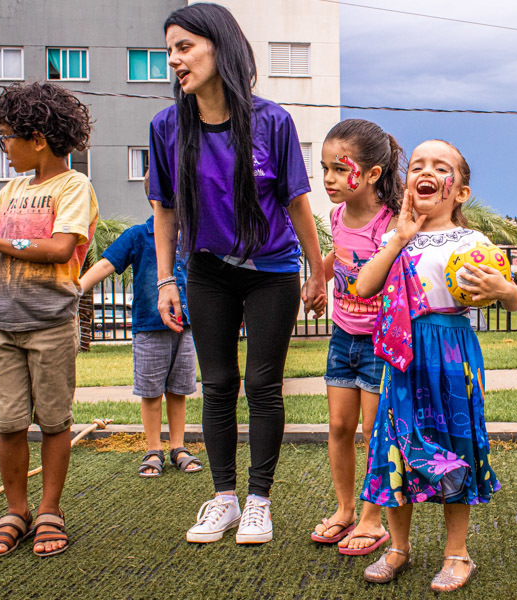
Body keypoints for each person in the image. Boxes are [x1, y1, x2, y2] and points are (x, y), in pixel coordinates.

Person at [149, 3, 326, 545]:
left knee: (262, 384)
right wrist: (165, 279)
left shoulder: (271, 120)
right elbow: (165, 209)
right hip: (206, 271)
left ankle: (258, 503)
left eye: (184, 47)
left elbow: (297, 204)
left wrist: (317, 271)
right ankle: (224, 498)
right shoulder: (166, 126)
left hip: (272, 269)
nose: (175, 60)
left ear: (219, 45)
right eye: (170, 50)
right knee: (218, 383)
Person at [355, 140, 517, 592]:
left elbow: (515, 298)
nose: (425, 172)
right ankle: (398, 548)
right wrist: (399, 238)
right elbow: (364, 285)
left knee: (455, 445)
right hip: (403, 357)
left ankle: (457, 554)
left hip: (452, 353)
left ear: (461, 191)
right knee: (397, 446)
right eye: (416, 166)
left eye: (440, 167)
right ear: (407, 181)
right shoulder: (396, 236)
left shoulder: (473, 241)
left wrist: (502, 289)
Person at [0, 82, 98, 557]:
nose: (4, 148)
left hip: (51, 322)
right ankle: (17, 510)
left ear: (37, 139)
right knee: (9, 422)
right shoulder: (12, 190)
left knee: (54, 421)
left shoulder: (75, 186)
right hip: (3, 323)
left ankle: (50, 509)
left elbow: (59, 248)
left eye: (6, 138)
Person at [310, 120, 401, 555]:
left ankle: (371, 517)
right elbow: (338, 254)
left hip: (379, 345)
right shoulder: (337, 215)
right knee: (339, 426)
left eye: (340, 169)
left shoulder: (392, 224)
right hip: (342, 335)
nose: (329, 179)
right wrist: (317, 278)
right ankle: (345, 510)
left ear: (372, 174)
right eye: (325, 168)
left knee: (373, 430)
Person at [78, 173, 201, 479]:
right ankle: (153, 449)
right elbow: (107, 263)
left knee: (178, 390)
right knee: (151, 391)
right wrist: (77, 288)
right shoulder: (138, 235)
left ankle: (177, 447)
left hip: (185, 328)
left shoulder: (194, 236)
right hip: (149, 327)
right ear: (154, 199)